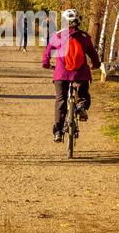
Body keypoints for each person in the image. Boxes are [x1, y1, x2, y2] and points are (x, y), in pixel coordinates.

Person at [42, 8, 101, 143]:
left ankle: (57, 132)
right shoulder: (85, 37)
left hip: (61, 74)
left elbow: (47, 54)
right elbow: (93, 55)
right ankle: (81, 107)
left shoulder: (57, 36)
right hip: (80, 74)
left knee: (60, 101)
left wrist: (46, 65)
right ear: (79, 21)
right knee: (84, 95)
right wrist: (95, 65)